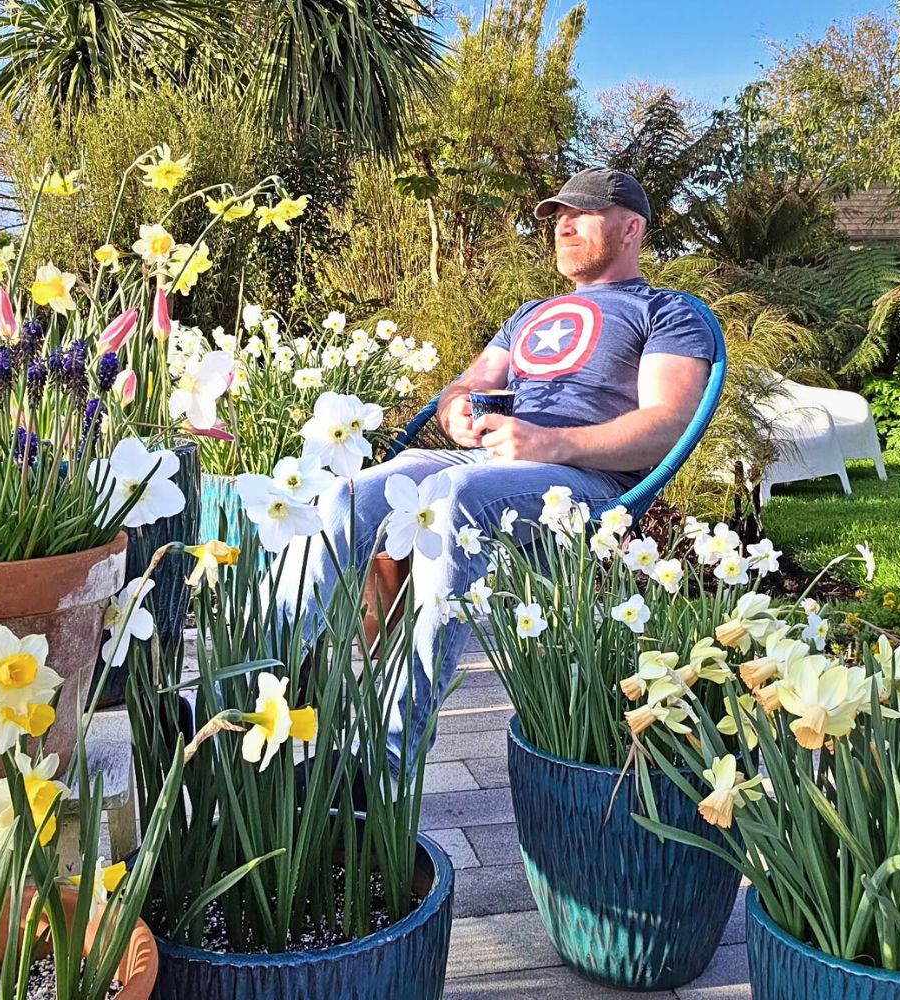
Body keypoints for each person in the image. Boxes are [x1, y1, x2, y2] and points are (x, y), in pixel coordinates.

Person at [275, 168, 716, 774]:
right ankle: (253, 689)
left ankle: (384, 758)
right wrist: (458, 405)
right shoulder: (531, 313)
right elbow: (474, 382)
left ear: (632, 227)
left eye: (581, 214)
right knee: (346, 495)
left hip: (584, 480)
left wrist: (554, 443)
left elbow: (665, 425)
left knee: (456, 494)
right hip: (490, 460)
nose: (562, 225)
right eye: (557, 215)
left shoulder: (667, 312)